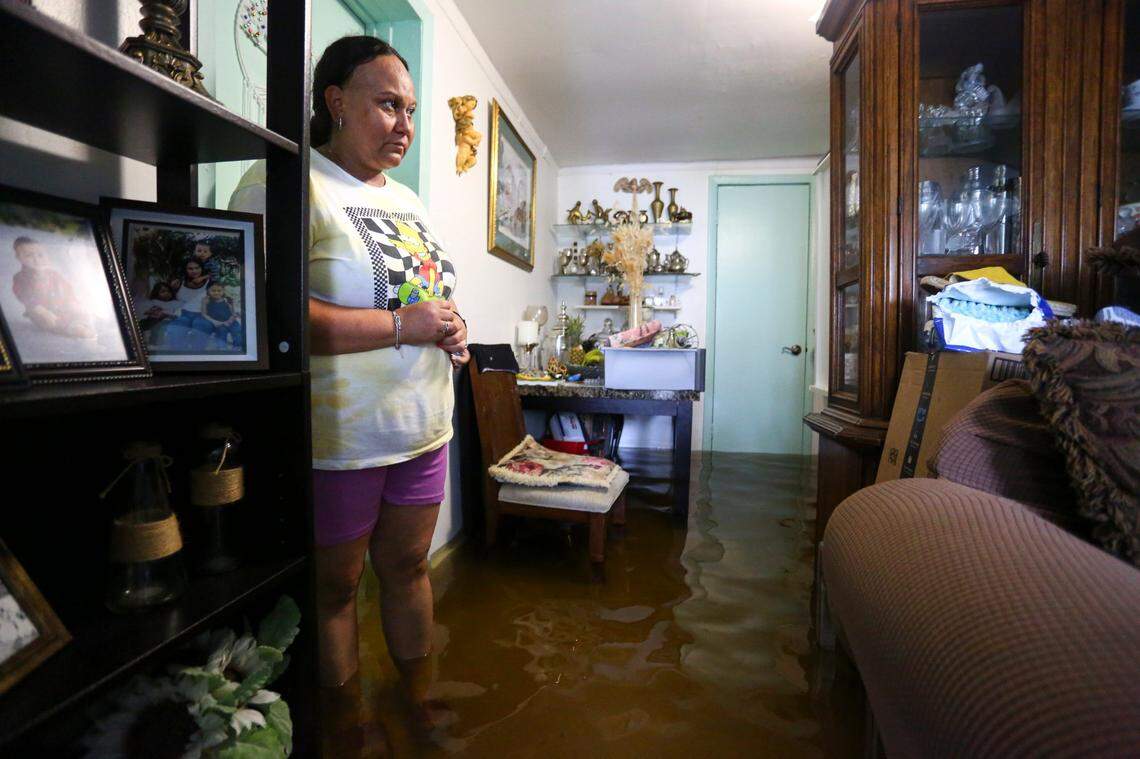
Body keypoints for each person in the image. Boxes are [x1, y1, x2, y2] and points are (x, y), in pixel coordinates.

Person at [229, 36, 469, 740]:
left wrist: (449, 325)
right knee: (335, 591)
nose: (405, 125)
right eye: (388, 104)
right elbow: (272, 313)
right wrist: (404, 324)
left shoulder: (412, 201)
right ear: (336, 102)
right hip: (341, 436)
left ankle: (417, 702)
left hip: (422, 423)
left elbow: (425, 300)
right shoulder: (286, 179)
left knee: (408, 566)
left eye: (412, 110)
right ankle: (348, 723)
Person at [10, 236, 96, 339]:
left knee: (80, 312)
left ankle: (85, 322)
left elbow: (66, 288)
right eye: (29, 256)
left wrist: (72, 301)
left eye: (40, 255)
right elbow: (24, 295)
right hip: (42, 312)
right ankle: (75, 329)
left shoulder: (53, 274)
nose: (36, 259)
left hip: (61, 307)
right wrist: (40, 310)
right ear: (19, 258)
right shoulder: (20, 277)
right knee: (53, 321)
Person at [168, 258, 215, 345]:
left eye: (197, 268)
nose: (194, 271)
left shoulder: (210, 282)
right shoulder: (179, 282)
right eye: (190, 268)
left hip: (202, 315)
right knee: (176, 330)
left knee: (201, 328)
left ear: (202, 268)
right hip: (183, 314)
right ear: (185, 270)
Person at [136, 280, 181, 346]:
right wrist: (151, 312)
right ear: (156, 293)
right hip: (153, 319)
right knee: (140, 324)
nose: (167, 293)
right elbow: (145, 311)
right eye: (163, 291)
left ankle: (155, 342)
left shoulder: (175, 303)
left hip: (167, 320)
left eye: (168, 291)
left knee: (159, 326)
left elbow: (177, 313)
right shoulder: (153, 302)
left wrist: (165, 314)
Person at [201, 282, 243, 350]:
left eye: (219, 291)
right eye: (213, 291)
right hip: (219, 323)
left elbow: (234, 313)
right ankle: (222, 348)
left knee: (237, 331)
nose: (216, 293)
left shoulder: (228, 300)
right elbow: (204, 314)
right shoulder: (206, 300)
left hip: (231, 321)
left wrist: (229, 321)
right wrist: (214, 322)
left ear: (223, 291)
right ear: (208, 291)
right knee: (221, 333)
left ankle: (237, 347)